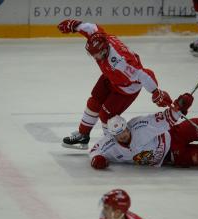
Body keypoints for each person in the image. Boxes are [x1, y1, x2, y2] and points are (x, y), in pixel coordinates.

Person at [89, 81, 198, 169]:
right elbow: (94, 151)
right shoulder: (110, 144)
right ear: (113, 136)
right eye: (119, 134)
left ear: (127, 126)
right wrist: (97, 159)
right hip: (172, 158)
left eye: (124, 130)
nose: (124, 135)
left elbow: (164, 118)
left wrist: (180, 106)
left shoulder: (140, 126)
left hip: (175, 134)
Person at [57, 19, 172, 150]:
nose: (95, 58)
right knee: (95, 100)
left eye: (97, 54)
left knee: (106, 116)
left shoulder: (120, 62)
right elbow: (90, 27)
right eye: (92, 54)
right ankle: (83, 135)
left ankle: (111, 147)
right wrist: (74, 25)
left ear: (105, 50)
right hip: (111, 77)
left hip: (126, 88)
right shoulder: (100, 38)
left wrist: (156, 92)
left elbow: (144, 74)